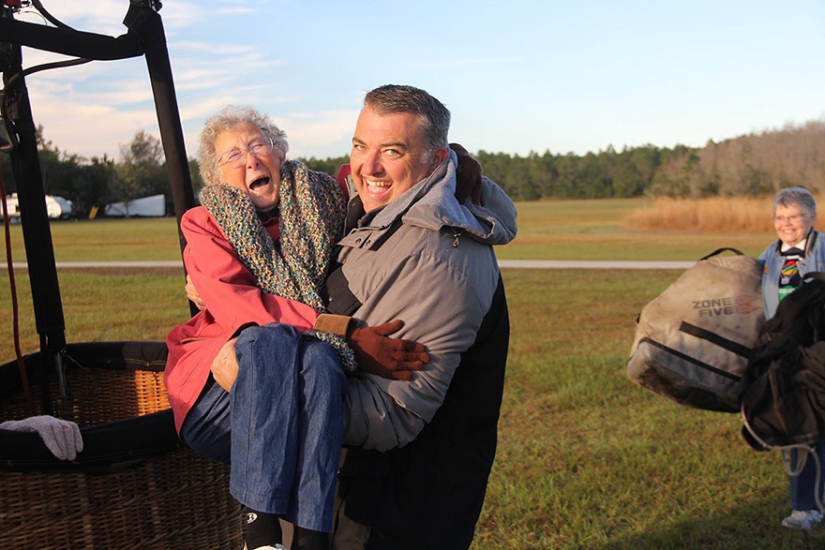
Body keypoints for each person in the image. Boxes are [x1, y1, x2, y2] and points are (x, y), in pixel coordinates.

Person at [206, 85, 517, 549]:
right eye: (359, 146)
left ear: (434, 163)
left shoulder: (439, 258)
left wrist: (264, 385)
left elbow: (390, 414)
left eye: (392, 151)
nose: (366, 167)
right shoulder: (373, 209)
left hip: (389, 512)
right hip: (334, 490)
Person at [165, 105, 431, 550]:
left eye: (257, 145)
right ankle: (260, 529)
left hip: (301, 376)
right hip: (218, 393)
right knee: (269, 337)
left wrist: (451, 161)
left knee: (322, 361)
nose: (250, 160)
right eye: (233, 155)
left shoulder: (321, 199)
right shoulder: (203, 222)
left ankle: (311, 536)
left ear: (280, 152)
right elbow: (240, 306)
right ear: (215, 178)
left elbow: (376, 173)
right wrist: (340, 329)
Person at [757, 187, 825, 530]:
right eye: (780, 217)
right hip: (785, 357)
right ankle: (805, 508)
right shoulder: (767, 258)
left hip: (821, 351)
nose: (787, 224)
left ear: (811, 217)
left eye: (794, 216)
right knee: (801, 427)